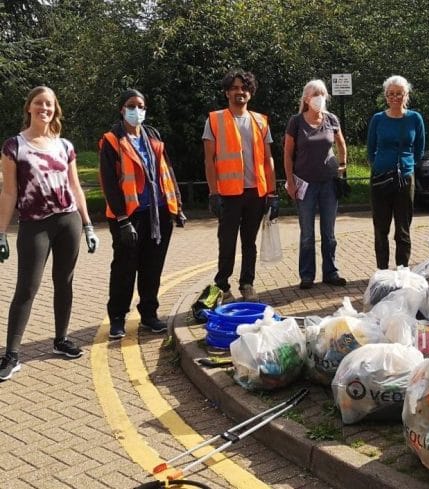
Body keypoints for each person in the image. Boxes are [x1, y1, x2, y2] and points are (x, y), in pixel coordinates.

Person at [0, 86, 99, 381]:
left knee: (64, 282)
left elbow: (76, 186)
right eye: (39, 103)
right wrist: (1, 232)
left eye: (50, 104)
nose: (45, 108)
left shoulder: (65, 146)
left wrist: (88, 224)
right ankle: (12, 354)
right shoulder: (14, 146)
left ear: (55, 110)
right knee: (27, 288)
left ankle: (61, 340)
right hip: (34, 225)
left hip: (68, 221)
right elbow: (8, 192)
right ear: (29, 107)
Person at [99, 88, 186, 340]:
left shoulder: (153, 136)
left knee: (152, 267)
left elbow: (166, 172)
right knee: (124, 268)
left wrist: (176, 206)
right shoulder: (112, 140)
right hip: (128, 215)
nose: (137, 110)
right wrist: (122, 219)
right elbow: (110, 184)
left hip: (157, 213)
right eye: (131, 105)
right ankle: (117, 318)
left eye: (141, 105)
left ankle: (149, 314)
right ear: (122, 110)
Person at [203, 69, 277, 302]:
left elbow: (268, 159)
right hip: (228, 193)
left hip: (255, 191)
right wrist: (213, 192)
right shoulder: (215, 119)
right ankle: (222, 285)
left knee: (249, 242)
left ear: (250, 93)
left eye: (244, 88)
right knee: (226, 242)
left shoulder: (260, 121)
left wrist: (273, 193)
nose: (239, 92)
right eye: (234, 88)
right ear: (227, 93)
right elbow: (209, 159)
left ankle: (247, 283)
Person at [284, 79, 348, 289]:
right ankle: (307, 275)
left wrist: (342, 164)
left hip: (329, 183)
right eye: (315, 94)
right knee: (307, 233)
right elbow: (287, 153)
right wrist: (290, 180)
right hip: (305, 183)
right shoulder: (296, 121)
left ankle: (331, 272)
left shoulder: (331, 119)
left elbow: (340, 143)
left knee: (329, 233)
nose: (319, 98)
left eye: (322, 93)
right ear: (306, 99)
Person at [367, 75, 425, 269]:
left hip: (404, 178)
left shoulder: (415, 119)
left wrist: (408, 165)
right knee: (381, 228)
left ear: (406, 95)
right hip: (380, 178)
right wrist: (379, 166)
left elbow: (419, 148)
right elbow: (370, 148)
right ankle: (382, 271)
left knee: (403, 229)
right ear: (386, 96)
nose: (395, 97)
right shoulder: (377, 119)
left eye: (399, 93)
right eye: (391, 94)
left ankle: (402, 269)